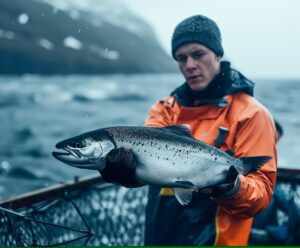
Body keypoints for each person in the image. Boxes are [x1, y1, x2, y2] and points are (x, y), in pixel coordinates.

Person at [100, 15, 278, 246]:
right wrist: (125, 173)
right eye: (181, 58)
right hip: (159, 237)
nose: (190, 65)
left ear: (218, 55)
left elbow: (261, 196)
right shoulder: (164, 109)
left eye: (198, 55)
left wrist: (231, 185)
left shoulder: (252, 114)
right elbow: (146, 168)